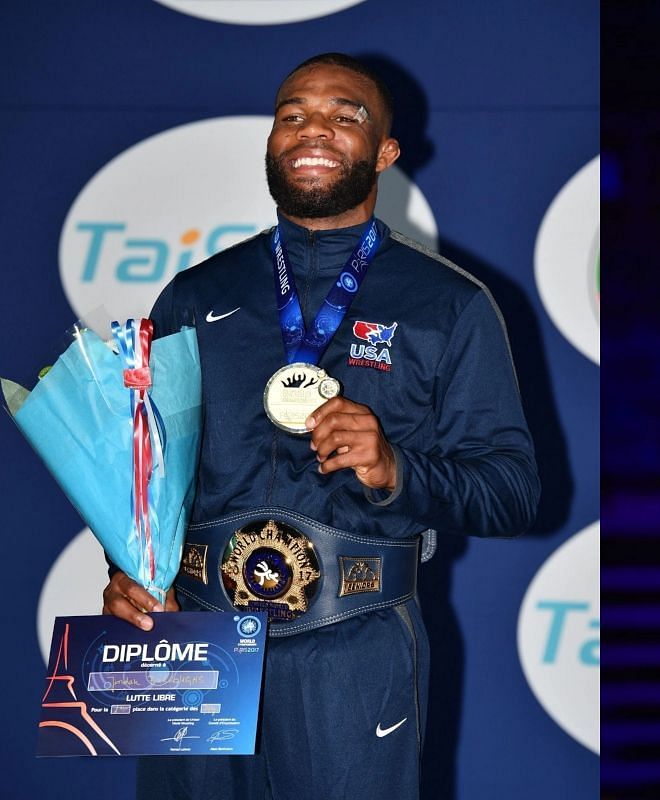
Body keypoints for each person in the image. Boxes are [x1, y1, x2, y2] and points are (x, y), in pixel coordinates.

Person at [100, 52, 539, 798]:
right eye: (293, 114)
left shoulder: (448, 304)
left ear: (386, 153)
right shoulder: (193, 294)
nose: (315, 129)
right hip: (198, 633)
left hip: (354, 641)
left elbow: (513, 492)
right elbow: (149, 470)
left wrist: (398, 470)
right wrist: (128, 569)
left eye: (346, 116)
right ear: (272, 142)